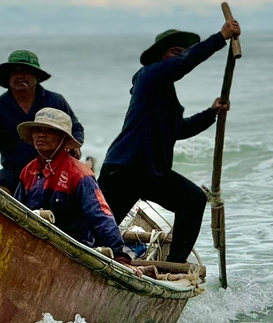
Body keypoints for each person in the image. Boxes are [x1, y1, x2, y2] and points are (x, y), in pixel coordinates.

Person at [98, 19, 240, 264]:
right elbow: (184, 63)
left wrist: (211, 113)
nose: (181, 56)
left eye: (182, 51)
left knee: (193, 200)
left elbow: (179, 129)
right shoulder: (149, 76)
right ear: (161, 57)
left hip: (152, 172)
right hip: (125, 168)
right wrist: (220, 37)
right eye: (175, 52)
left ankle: (174, 264)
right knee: (100, 230)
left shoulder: (166, 95)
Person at [14, 108, 130, 259]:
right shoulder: (28, 171)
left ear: (63, 138)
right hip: (33, 247)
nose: (41, 135)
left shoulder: (79, 175)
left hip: (73, 252)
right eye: (37, 130)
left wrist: (119, 254)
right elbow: (16, 211)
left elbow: (100, 216)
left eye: (49, 131)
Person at [0, 50, 84, 191]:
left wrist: (74, 144)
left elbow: (76, 128)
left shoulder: (55, 101)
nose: (20, 76)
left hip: (53, 170)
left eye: (26, 71)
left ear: (37, 77)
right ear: (8, 78)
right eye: (14, 72)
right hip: (14, 173)